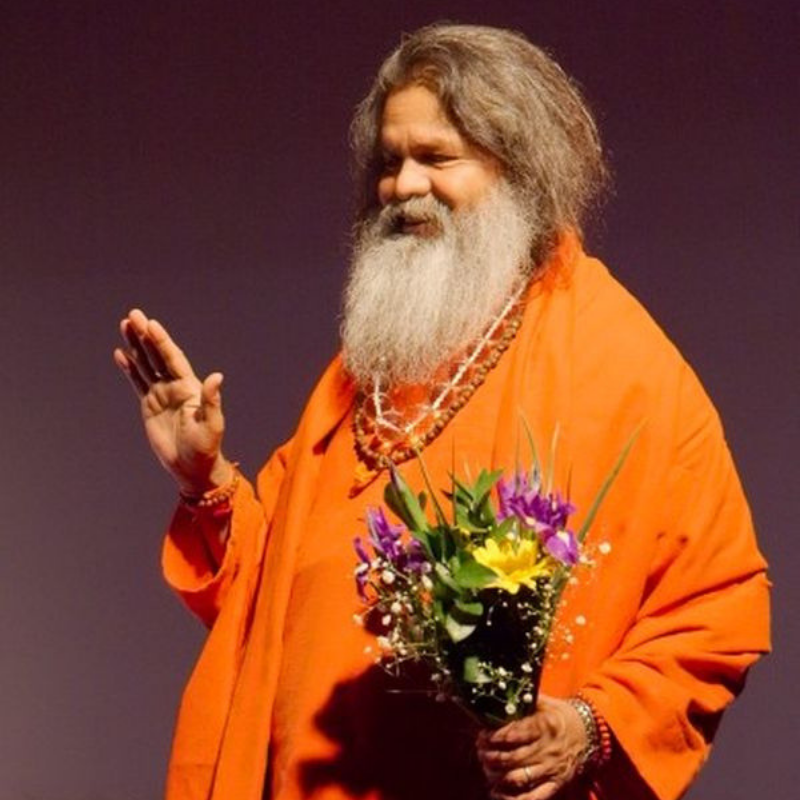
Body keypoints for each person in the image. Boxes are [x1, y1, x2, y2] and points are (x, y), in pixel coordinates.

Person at [114, 24, 770, 800]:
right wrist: (206, 479)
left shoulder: (619, 361)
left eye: (436, 157)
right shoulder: (373, 364)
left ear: (519, 166)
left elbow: (718, 604)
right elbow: (276, 601)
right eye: (390, 161)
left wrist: (587, 726)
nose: (403, 186)